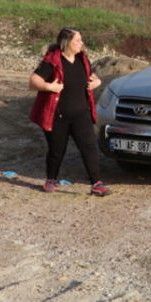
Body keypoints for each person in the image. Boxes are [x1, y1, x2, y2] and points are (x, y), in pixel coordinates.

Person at [29, 28, 111, 196]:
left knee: (89, 147)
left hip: (82, 114)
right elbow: (33, 81)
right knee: (57, 150)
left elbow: (91, 76)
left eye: (81, 40)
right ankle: (51, 179)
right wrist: (49, 86)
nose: (81, 43)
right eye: (78, 40)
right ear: (66, 43)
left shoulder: (83, 59)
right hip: (57, 116)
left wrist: (97, 82)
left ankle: (96, 183)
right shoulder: (52, 61)